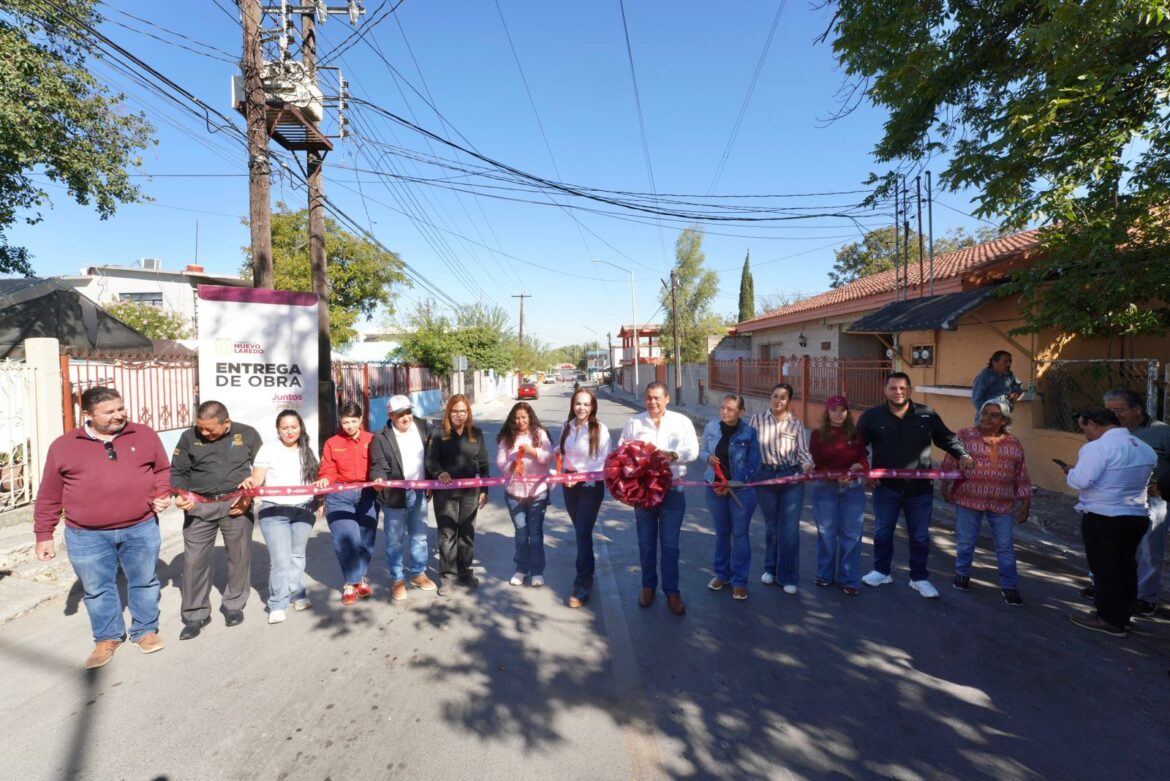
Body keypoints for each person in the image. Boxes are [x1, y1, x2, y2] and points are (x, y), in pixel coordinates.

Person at [33, 387, 171, 669]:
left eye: (121, 408)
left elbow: (162, 470)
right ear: (87, 415)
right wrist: (43, 534)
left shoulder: (143, 434)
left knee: (144, 581)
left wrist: (162, 493)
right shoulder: (63, 446)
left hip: (140, 526)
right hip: (86, 534)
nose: (119, 415)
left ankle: (145, 630)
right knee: (96, 588)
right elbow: (49, 493)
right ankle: (107, 638)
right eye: (109, 412)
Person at [858, 372, 974, 598]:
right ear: (885, 390)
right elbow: (858, 446)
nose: (898, 392)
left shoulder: (926, 414)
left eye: (903, 388)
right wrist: (865, 470)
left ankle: (919, 578)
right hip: (886, 487)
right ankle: (881, 571)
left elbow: (946, 438)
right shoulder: (872, 417)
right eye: (893, 388)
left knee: (920, 536)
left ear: (909, 390)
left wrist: (962, 454)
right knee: (883, 532)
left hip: (919, 490)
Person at [171, 400, 263, 640]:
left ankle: (234, 604)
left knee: (239, 555)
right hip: (199, 506)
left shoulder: (247, 434)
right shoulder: (189, 437)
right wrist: (180, 496)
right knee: (194, 560)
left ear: (227, 423)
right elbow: (178, 472)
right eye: (200, 427)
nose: (204, 432)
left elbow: (262, 468)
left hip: (237, 504)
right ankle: (195, 614)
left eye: (210, 428)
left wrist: (248, 496)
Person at [1061, 407, 1156, 637]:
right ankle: (1122, 615)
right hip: (1135, 514)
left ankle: (1109, 619)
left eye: (1085, 428)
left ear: (1093, 424)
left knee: (1105, 569)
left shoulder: (1097, 448)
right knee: (1126, 566)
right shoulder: (1145, 448)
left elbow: (1081, 480)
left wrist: (1070, 472)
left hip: (1103, 516)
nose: (1085, 434)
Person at [618, 382, 699, 615]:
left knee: (670, 545)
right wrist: (635, 462)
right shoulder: (634, 423)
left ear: (667, 398)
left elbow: (692, 450)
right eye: (649, 397)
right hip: (643, 491)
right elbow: (622, 451)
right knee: (646, 542)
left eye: (656, 397)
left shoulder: (681, 422)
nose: (652, 402)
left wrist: (672, 455)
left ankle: (672, 592)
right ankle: (647, 587)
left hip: (673, 490)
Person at [941, 400, 1032, 606]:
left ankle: (1009, 586)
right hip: (969, 498)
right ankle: (962, 574)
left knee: (1005, 546)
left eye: (994, 415)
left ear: (1004, 421)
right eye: (984, 413)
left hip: (1002, 502)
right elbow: (950, 461)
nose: (987, 418)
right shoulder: (965, 435)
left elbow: (1021, 474)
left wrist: (1026, 502)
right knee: (966, 541)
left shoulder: (1013, 442)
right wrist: (944, 487)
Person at [245, 410, 318, 624]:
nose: (289, 431)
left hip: (304, 509)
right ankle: (277, 603)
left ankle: (298, 594)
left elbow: (315, 479)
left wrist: (320, 502)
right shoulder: (267, 449)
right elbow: (258, 476)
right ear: (278, 429)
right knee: (280, 560)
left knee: (297, 555)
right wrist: (252, 482)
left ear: (300, 427)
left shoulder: (307, 449)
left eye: (293, 427)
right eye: (284, 428)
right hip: (274, 511)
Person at [1102, 388, 1170, 616]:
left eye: (1119, 410)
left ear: (1137, 409)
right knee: (1115, 546)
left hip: (1152, 500)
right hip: (1117, 497)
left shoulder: (1161, 433)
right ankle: (1113, 590)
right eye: (1109, 411)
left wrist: (1161, 485)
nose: (1114, 415)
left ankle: (1145, 597)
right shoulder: (1110, 432)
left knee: (1149, 549)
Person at [369, 395, 436, 601]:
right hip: (394, 495)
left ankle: (418, 573)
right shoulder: (381, 437)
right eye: (400, 414)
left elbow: (431, 457)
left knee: (420, 536)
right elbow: (379, 464)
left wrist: (431, 480)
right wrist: (378, 478)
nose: (406, 417)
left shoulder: (424, 427)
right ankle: (397, 578)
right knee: (394, 540)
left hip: (419, 491)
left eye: (408, 412)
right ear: (390, 415)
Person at [748, 383, 813, 594]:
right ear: (770, 397)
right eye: (775, 396)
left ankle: (788, 576)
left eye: (783, 398)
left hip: (790, 476)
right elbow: (749, 448)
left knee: (790, 530)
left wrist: (807, 465)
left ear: (788, 401)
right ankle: (770, 568)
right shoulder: (756, 420)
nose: (778, 400)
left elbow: (803, 452)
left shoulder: (796, 425)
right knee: (772, 527)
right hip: (765, 477)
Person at [698, 394, 760, 601]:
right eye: (723, 407)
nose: (725, 412)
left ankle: (740, 581)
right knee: (722, 533)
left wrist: (731, 483)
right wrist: (707, 457)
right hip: (714, 487)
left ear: (741, 412)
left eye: (731, 409)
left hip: (740, 490)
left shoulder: (749, 433)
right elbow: (703, 449)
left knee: (740, 535)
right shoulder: (712, 427)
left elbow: (754, 465)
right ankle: (722, 575)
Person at [426, 394, 489, 596]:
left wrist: (484, 490)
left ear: (468, 412)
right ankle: (447, 576)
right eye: (455, 411)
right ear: (448, 412)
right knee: (447, 534)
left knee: (467, 532)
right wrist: (439, 473)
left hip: (471, 492)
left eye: (463, 411)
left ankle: (465, 572)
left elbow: (484, 463)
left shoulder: (476, 434)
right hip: (445, 493)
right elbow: (430, 461)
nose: (459, 415)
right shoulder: (438, 433)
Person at [316, 402, 377, 605]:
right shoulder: (332, 443)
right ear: (340, 421)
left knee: (366, 540)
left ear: (361, 420)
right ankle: (351, 582)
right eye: (345, 421)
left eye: (353, 421)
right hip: (339, 495)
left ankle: (360, 577)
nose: (349, 426)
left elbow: (379, 465)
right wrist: (325, 479)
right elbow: (328, 468)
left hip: (368, 495)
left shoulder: (373, 440)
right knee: (346, 539)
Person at [808, 395, 869, 596]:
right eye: (834, 410)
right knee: (826, 533)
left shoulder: (855, 434)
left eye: (842, 410)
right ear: (827, 412)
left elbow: (863, 458)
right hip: (825, 488)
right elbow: (817, 463)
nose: (838, 414)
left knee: (851, 534)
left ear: (847, 413)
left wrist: (860, 466)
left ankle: (849, 579)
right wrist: (834, 477)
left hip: (853, 489)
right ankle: (824, 575)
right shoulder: (817, 435)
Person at [557, 388, 611, 608]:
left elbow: (602, 461)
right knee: (582, 532)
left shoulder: (600, 429)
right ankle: (588, 570)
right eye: (578, 404)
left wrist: (577, 476)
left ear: (593, 407)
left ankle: (582, 586)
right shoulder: (567, 427)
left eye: (586, 404)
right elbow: (562, 451)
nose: (582, 408)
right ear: (572, 405)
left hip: (590, 484)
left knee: (582, 533)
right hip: (569, 484)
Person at [498, 402, 554, 588]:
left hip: (537, 492)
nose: (520, 421)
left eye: (524, 417)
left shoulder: (539, 434)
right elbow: (500, 463)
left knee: (535, 534)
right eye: (517, 417)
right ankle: (521, 569)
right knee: (521, 533)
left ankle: (537, 571)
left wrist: (532, 451)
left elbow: (547, 457)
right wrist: (512, 465)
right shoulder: (507, 438)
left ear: (530, 417)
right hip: (514, 494)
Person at [971, 350, 1023, 419]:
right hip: (988, 419)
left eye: (1010, 361)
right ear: (994, 362)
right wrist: (988, 415)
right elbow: (977, 399)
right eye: (1005, 361)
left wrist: (1015, 392)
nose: (1009, 364)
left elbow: (1018, 385)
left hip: (1004, 415)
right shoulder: (985, 376)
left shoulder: (1009, 374)